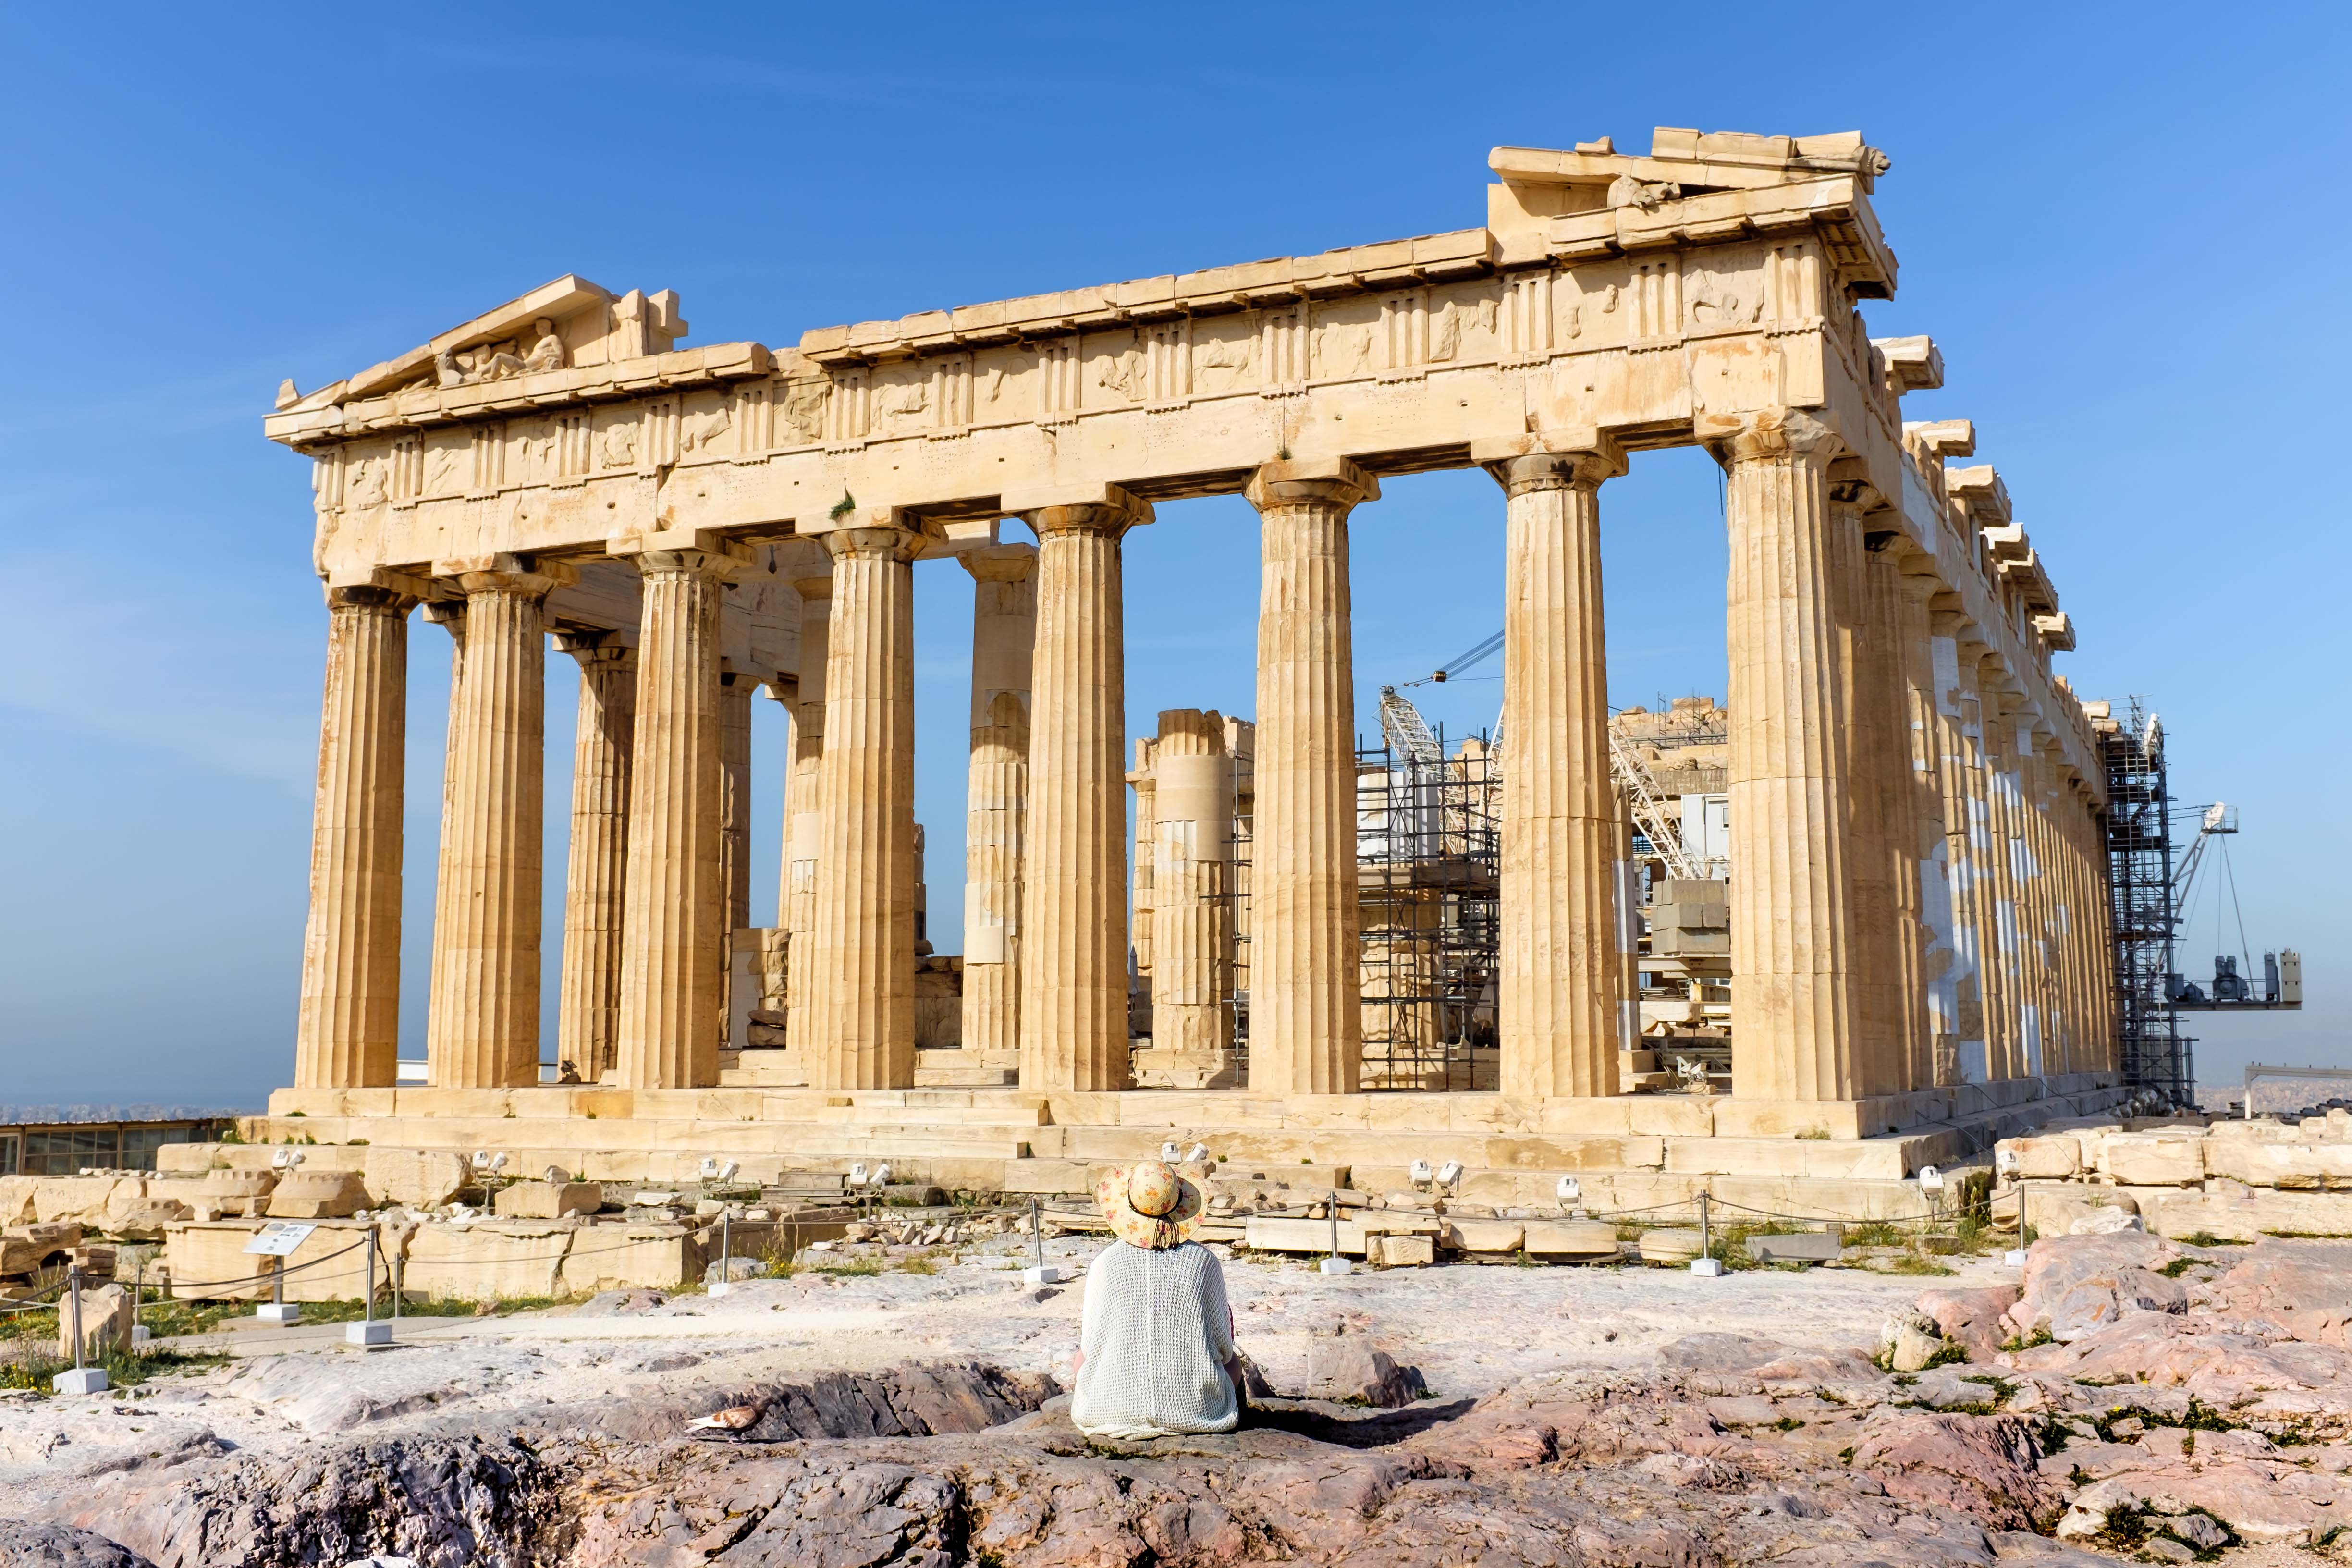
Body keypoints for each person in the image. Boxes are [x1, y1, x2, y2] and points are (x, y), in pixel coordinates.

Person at [1069, 1160, 1243, 1439]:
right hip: (1195, 1410)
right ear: (1179, 1203)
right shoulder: (1204, 1263)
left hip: (1111, 1410)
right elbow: (1224, 1348)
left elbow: (1090, 1347)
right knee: (1234, 1363)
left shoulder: (1105, 1263)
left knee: (1081, 1361)